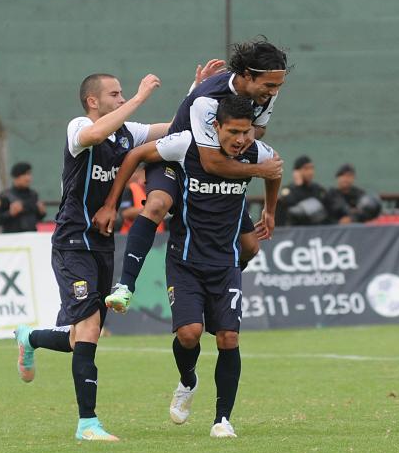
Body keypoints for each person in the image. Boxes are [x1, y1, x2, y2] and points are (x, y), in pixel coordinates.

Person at [94, 96, 281, 438]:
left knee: (228, 337)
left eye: (246, 133)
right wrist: (111, 201)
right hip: (185, 260)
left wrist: (270, 210)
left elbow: (275, 170)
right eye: (233, 132)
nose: (240, 140)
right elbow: (137, 154)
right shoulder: (187, 145)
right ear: (216, 127)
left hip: (225, 262)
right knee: (189, 334)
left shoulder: (258, 152)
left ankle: (222, 419)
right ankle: (188, 379)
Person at [13, 72, 172, 442]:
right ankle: (88, 424)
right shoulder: (80, 126)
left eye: (122, 93)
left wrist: (201, 97)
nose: (121, 98)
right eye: (114, 94)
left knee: (82, 336)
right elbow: (95, 136)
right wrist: (141, 96)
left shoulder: (126, 132)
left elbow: (172, 129)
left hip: (102, 243)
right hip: (72, 242)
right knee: (88, 330)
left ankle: (31, 338)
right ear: (93, 101)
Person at [96, 39, 288, 314]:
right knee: (158, 204)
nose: (274, 92)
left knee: (249, 246)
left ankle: (220, 289)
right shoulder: (208, 99)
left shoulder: (265, 91)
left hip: (220, 161)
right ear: (247, 75)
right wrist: (257, 167)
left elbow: (258, 132)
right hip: (178, 158)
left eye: (278, 86)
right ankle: (125, 287)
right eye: (270, 86)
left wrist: (233, 138)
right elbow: (210, 163)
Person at [0, 161, 46, 233]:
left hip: (31, 239)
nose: (28, 178)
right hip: (12, 240)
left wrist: (41, 212)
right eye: (24, 174)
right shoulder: (4, 197)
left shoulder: (33, 195)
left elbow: (35, 219)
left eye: (29, 174)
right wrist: (10, 213)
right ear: (16, 177)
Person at [276, 155, 329, 226]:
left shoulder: (318, 188)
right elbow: (290, 204)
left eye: (312, 168)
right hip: (296, 230)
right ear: (297, 172)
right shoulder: (288, 189)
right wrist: (298, 186)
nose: (310, 172)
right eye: (306, 169)